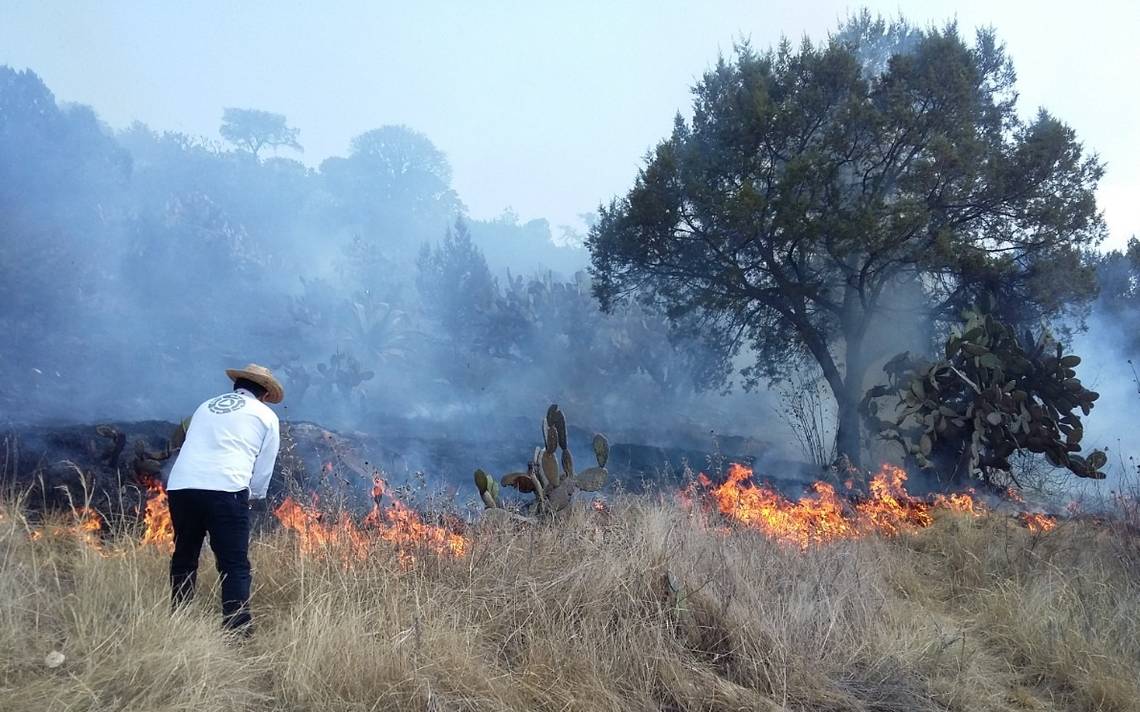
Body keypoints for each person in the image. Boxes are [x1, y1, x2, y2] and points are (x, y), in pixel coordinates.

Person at [166, 363, 283, 633]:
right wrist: (254, 496)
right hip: (226, 489)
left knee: (185, 554)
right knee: (234, 564)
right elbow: (264, 465)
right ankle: (237, 629)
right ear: (265, 394)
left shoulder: (205, 406)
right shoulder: (265, 415)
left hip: (181, 487)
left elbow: (188, 442)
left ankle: (179, 618)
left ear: (237, 386)